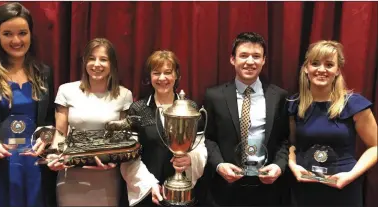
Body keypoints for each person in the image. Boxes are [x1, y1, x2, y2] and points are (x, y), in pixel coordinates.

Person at [46, 38, 158, 206]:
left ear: (112, 64)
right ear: (84, 62)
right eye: (92, 58)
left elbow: (124, 140)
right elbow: (60, 133)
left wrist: (113, 161)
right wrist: (54, 157)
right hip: (71, 176)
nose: (96, 64)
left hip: (107, 177)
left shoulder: (124, 95)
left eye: (103, 59)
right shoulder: (67, 90)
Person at [0, 2, 57, 207]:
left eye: (22, 33)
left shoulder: (43, 73)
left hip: (33, 171)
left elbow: (48, 121)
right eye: (7, 33)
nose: (16, 40)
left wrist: (46, 136)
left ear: (30, 35)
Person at [203, 32, 290, 206]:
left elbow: (284, 140)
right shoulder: (214, 96)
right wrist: (219, 165)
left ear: (264, 60)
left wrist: (279, 166)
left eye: (256, 56)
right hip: (225, 187)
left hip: (266, 188)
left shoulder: (278, 96)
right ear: (232, 59)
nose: (250, 62)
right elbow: (208, 138)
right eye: (243, 55)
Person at [287, 40, 377, 206]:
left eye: (329, 65)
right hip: (304, 189)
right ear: (306, 69)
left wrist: (350, 175)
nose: (322, 70)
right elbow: (290, 145)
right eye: (315, 63)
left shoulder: (354, 104)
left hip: (344, 187)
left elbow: (375, 147)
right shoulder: (294, 105)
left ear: (337, 71)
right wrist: (293, 166)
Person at [127, 50, 208, 206]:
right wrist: (149, 184)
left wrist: (191, 159)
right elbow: (130, 157)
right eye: (156, 73)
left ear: (176, 75)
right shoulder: (137, 109)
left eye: (168, 72)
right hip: (148, 193)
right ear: (149, 76)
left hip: (183, 193)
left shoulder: (191, 107)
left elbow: (200, 145)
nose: (162, 78)